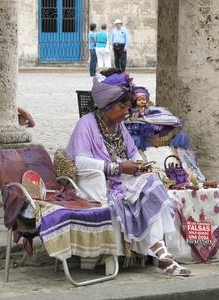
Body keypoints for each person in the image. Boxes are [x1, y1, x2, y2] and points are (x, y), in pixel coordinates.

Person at [67, 71, 191, 276]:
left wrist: (141, 166)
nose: (126, 111)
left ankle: (162, 254)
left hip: (122, 179)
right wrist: (117, 168)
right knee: (139, 192)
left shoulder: (119, 127)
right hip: (96, 183)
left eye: (127, 107)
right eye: (121, 107)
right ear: (106, 106)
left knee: (152, 185)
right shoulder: (86, 124)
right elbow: (80, 162)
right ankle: (162, 254)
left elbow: (133, 153)